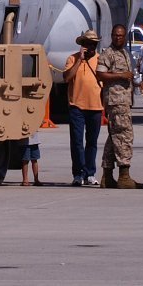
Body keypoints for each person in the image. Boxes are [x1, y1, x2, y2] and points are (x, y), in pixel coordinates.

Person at [96, 24, 143, 189]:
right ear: (111, 36)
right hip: (116, 101)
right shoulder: (107, 54)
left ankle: (107, 175)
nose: (118, 38)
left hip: (124, 100)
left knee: (114, 137)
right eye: (115, 35)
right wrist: (121, 75)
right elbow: (100, 74)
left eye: (121, 35)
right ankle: (124, 175)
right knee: (124, 135)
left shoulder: (124, 53)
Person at [63, 30, 103, 186]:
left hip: (96, 106)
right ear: (82, 45)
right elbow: (67, 78)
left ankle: (90, 173)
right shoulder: (72, 59)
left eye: (93, 44)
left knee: (92, 142)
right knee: (77, 142)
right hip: (76, 105)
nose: (90, 47)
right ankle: (78, 173)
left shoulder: (101, 60)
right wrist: (80, 60)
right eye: (87, 44)